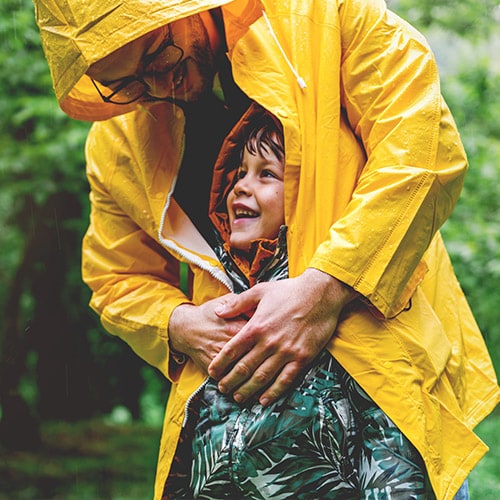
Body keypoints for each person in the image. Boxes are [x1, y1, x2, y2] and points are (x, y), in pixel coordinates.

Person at [33, 0, 499, 498]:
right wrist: (177, 324)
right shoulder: (118, 144)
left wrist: (328, 287)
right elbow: (115, 278)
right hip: (225, 446)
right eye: (124, 84)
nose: (156, 87)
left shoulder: (324, 16)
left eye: (158, 57)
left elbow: (422, 150)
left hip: (383, 411)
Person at [164, 102, 435, 498]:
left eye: (266, 174)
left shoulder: (341, 309)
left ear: (305, 196)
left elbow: (390, 449)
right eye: (239, 173)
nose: (241, 185)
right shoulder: (217, 298)